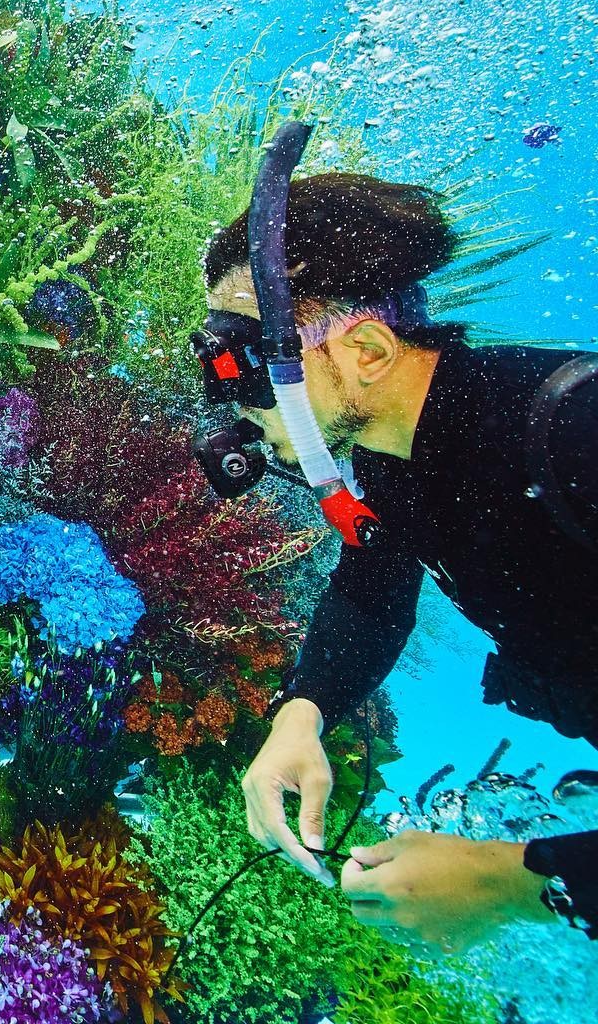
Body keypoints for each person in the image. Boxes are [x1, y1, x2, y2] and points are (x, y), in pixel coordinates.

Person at [197, 171, 598, 953]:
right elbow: (374, 587)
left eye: (246, 359)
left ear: (368, 350)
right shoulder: (394, 457)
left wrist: (518, 882)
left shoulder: (576, 431)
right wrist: (303, 711)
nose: (227, 394)